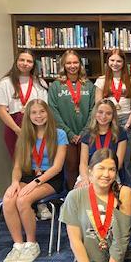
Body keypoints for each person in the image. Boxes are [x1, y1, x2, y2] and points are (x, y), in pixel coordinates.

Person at [60, 149, 131, 262]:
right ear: (90, 171)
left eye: (111, 169)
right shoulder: (75, 197)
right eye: (101, 168)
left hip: (119, 260)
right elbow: (75, 241)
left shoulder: (124, 193)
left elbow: (122, 240)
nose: (106, 174)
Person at [2, 99, 67, 262]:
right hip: (27, 176)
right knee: (9, 200)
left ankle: (32, 244)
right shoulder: (25, 135)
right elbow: (17, 166)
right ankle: (18, 245)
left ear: (48, 113)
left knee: (23, 200)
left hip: (50, 177)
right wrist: (14, 182)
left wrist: (35, 183)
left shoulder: (59, 134)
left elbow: (57, 167)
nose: (38, 116)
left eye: (42, 112)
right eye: (34, 113)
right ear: (28, 116)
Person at [48, 49, 96, 190]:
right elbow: (53, 111)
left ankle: (86, 196)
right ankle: (71, 197)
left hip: (85, 134)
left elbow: (93, 110)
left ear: (80, 64)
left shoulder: (89, 85)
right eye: (68, 63)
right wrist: (69, 133)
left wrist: (84, 131)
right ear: (63, 65)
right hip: (65, 134)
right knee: (70, 167)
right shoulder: (56, 86)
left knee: (87, 167)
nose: (72, 66)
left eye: (75, 62)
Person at [94, 49, 131, 185]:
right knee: (108, 156)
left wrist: (127, 125)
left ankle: (128, 190)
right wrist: (107, 121)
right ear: (107, 62)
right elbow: (98, 105)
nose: (115, 63)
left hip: (126, 119)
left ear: (124, 62)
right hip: (107, 120)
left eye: (119, 61)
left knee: (126, 160)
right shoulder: (101, 81)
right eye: (112, 60)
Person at [0, 49, 48, 159]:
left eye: (29, 61)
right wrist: (17, 130)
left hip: (36, 125)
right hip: (14, 125)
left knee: (38, 161)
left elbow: (45, 108)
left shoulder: (40, 83)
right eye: (22, 60)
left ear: (33, 64)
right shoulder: (5, 82)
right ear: (16, 62)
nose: (25, 63)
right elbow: (2, 110)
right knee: (18, 162)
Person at [75, 99, 127, 188]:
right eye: (100, 112)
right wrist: (85, 178)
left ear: (113, 116)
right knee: (79, 190)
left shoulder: (120, 132)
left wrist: (104, 176)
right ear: (95, 113)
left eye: (108, 113)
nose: (103, 116)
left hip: (111, 172)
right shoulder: (87, 133)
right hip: (90, 172)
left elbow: (119, 163)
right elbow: (83, 163)